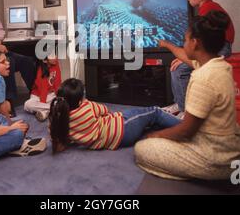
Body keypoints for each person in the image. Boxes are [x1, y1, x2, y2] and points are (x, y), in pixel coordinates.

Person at [134, 11, 240, 180]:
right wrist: (167, 45)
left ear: (195, 43)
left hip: (213, 156)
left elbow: (186, 131)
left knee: (142, 148)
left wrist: (157, 135)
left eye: (185, 40)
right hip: (228, 145)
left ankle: (208, 174)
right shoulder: (219, 66)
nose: (183, 44)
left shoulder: (203, 78)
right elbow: (184, 56)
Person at [48, 78, 181, 154]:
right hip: (123, 129)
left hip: (114, 138)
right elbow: (105, 110)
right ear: (79, 101)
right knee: (153, 112)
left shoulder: (58, 120)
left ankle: (164, 120)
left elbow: (58, 140)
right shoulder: (86, 107)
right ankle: (182, 125)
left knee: (145, 121)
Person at [168, 0, 235, 113]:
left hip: (221, 48)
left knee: (179, 70)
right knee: (179, 66)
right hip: (219, 46)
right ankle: (180, 103)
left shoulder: (207, 10)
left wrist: (184, 57)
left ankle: (184, 109)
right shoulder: (211, 6)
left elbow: (201, 40)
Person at [24, 54, 61, 122]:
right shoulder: (41, 70)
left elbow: (58, 82)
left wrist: (59, 96)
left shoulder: (56, 64)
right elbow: (43, 89)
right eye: (52, 56)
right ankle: (55, 109)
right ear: (45, 60)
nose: (55, 57)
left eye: (55, 55)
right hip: (38, 96)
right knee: (27, 105)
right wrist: (43, 102)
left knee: (61, 101)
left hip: (51, 95)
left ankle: (44, 113)